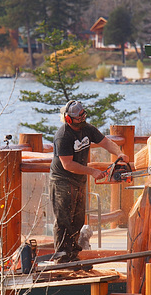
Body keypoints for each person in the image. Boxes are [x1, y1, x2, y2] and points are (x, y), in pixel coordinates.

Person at [50, 100, 129, 263]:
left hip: (78, 180)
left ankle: (73, 253)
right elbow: (68, 164)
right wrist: (92, 171)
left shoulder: (87, 128)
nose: (82, 120)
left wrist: (119, 153)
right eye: (78, 118)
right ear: (69, 119)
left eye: (83, 116)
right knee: (63, 219)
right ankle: (62, 257)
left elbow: (105, 142)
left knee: (78, 218)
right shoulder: (62, 136)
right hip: (62, 180)